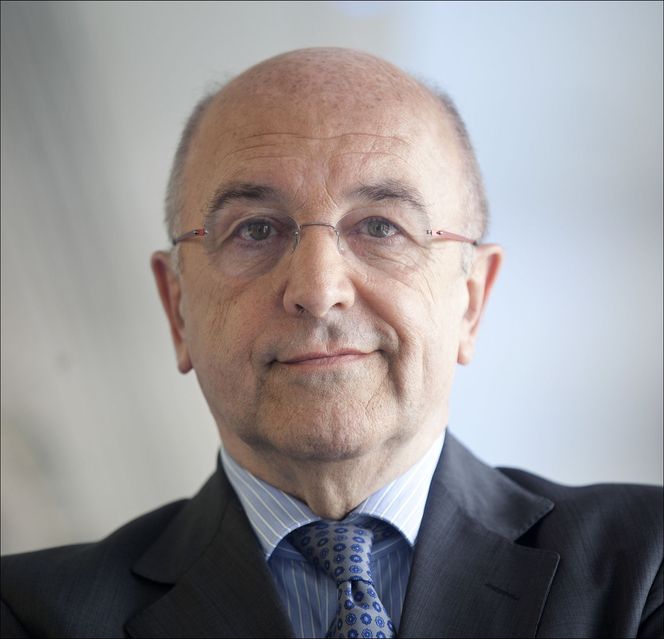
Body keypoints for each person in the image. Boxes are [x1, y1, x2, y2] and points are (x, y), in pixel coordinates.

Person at [1, 47, 662, 639]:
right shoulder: (29, 613)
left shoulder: (646, 569)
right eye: (255, 230)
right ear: (177, 307)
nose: (318, 290)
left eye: (380, 226)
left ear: (472, 300)